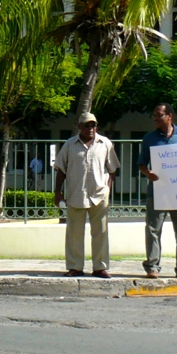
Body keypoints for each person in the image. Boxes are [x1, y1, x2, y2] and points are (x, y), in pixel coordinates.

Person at [53, 113, 119, 278]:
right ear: (79, 127)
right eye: (87, 125)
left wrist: (107, 190)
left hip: (99, 195)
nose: (91, 129)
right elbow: (61, 169)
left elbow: (112, 169)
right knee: (74, 233)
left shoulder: (105, 144)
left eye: (93, 125)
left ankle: (100, 267)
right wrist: (57, 192)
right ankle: (75, 266)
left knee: (101, 232)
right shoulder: (69, 145)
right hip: (76, 194)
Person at [138, 103, 177, 279]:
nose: (155, 118)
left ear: (170, 116)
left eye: (159, 115)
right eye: (154, 115)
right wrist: (149, 173)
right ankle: (153, 267)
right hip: (157, 192)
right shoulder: (149, 138)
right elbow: (141, 164)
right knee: (153, 230)